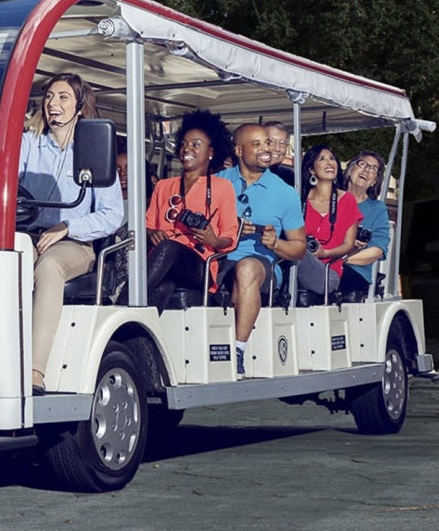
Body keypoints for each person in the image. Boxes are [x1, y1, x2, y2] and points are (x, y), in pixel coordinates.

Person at [21, 72, 125, 392]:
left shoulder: (93, 150)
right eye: (49, 97)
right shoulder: (28, 143)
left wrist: (69, 226)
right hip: (27, 234)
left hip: (74, 244)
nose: (53, 103)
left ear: (80, 106)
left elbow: (113, 214)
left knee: (49, 266)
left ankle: (35, 371)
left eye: (63, 97)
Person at [218, 122, 307, 375]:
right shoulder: (216, 182)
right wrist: (228, 228)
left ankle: (237, 351)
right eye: (256, 144)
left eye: (267, 143)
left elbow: (299, 248)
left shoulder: (286, 192)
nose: (266, 149)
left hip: (262, 264)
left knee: (245, 270)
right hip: (216, 258)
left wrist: (276, 243)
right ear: (238, 150)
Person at [145, 110, 239, 303]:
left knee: (170, 247)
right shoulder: (164, 186)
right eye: (184, 144)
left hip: (200, 265)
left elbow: (230, 238)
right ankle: (134, 332)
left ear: (211, 152)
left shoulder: (222, 187)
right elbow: (146, 225)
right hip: (162, 262)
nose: (187, 149)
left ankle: (123, 306)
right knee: (162, 288)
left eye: (196, 145)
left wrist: (213, 239)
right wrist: (152, 232)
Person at [296, 144, 362, 301]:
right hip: (297, 267)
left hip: (328, 273)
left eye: (332, 159)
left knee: (297, 249)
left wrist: (325, 253)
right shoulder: (300, 199)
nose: (329, 163)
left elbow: (348, 244)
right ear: (311, 170)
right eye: (322, 159)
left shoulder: (347, 200)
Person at [340, 152, 389, 298]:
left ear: (374, 181)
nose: (367, 170)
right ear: (349, 170)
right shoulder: (329, 199)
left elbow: (377, 251)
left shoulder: (377, 209)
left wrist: (340, 259)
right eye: (362, 164)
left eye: (373, 169)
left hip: (354, 271)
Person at [265, 123, 296, 187]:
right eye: (271, 142)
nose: (277, 149)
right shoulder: (247, 173)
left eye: (282, 143)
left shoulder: (289, 176)